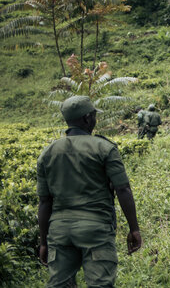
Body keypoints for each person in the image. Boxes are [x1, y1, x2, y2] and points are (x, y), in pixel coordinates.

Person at [37, 96, 143, 287]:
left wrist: (43, 241)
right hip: (95, 230)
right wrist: (134, 228)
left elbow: (44, 202)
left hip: (60, 231)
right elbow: (122, 189)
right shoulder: (105, 148)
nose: (95, 120)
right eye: (94, 116)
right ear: (87, 119)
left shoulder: (47, 153)